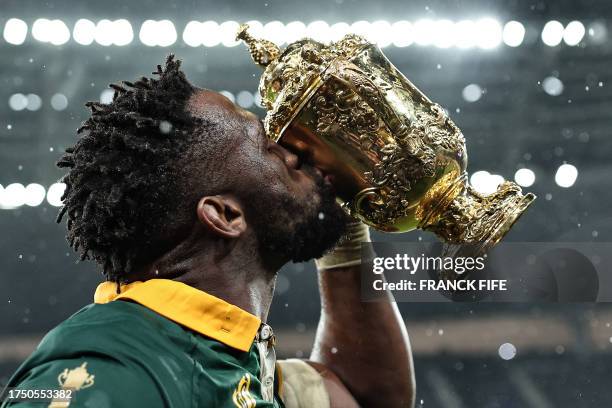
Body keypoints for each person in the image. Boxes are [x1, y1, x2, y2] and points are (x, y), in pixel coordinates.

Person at [1, 55, 415, 408]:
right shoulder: (109, 367)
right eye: (269, 147)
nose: (298, 151)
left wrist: (343, 231)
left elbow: (372, 397)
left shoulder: (231, 360)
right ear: (225, 215)